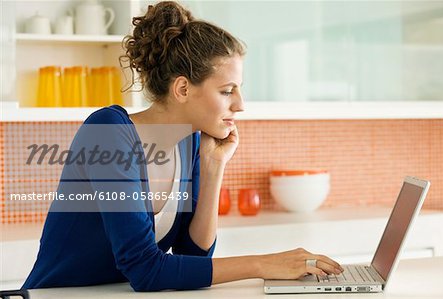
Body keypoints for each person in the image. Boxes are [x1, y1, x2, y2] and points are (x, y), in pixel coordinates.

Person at [22, 1, 343, 292]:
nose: (241, 105)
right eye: (227, 91)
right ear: (183, 88)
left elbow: (194, 254)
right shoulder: (108, 132)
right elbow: (146, 269)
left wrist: (214, 166)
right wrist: (262, 265)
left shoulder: (188, 141)